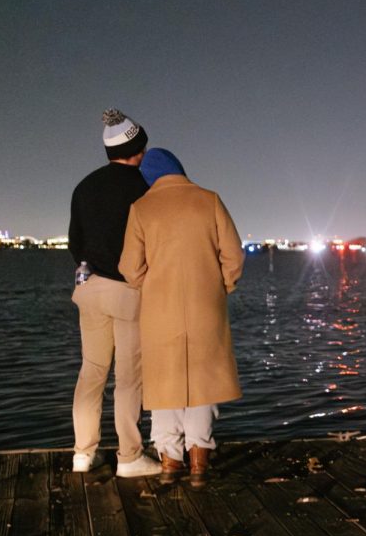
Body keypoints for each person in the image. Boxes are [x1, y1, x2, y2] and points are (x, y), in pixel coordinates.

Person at [119, 148, 245, 487]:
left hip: (160, 310)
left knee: (165, 384)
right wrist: (221, 287)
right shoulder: (210, 200)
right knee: (203, 383)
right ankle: (199, 464)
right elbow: (234, 256)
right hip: (207, 306)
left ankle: (170, 462)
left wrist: (155, 284)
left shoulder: (142, 208)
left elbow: (129, 268)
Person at [68, 109, 162, 477]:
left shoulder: (84, 186)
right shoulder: (144, 188)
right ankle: (129, 456)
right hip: (127, 291)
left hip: (89, 289)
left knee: (91, 371)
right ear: (138, 148)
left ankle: (82, 453)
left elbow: (76, 241)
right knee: (128, 378)